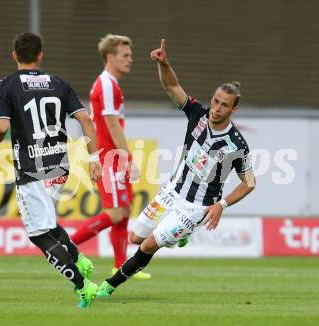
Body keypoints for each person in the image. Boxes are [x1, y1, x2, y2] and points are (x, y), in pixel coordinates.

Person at [97, 39, 256, 297]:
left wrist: (221, 205)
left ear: (234, 108)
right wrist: (163, 63)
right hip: (172, 191)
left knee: (148, 245)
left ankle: (108, 286)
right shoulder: (198, 115)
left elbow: (250, 182)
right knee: (135, 238)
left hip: (196, 207)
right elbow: (172, 85)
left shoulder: (236, 144)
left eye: (224, 105)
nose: (216, 108)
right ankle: (180, 237)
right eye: (215, 101)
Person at [0, 32, 102, 308]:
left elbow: (1, 127)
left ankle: (83, 287)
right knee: (47, 221)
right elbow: (85, 119)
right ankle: (78, 257)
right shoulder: (59, 84)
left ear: (15, 55)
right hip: (58, 165)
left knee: (38, 234)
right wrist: (94, 159)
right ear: (40, 55)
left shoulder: (6, 85)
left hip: (30, 168)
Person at [70, 34, 150, 280]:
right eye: (125, 55)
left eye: (130, 55)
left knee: (123, 210)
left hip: (109, 157)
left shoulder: (110, 84)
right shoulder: (106, 84)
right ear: (110, 57)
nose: (130, 60)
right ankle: (67, 246)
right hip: (109, 159)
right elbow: (111, 124)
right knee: (115, 213)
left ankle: (119, 265)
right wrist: (126, 158)